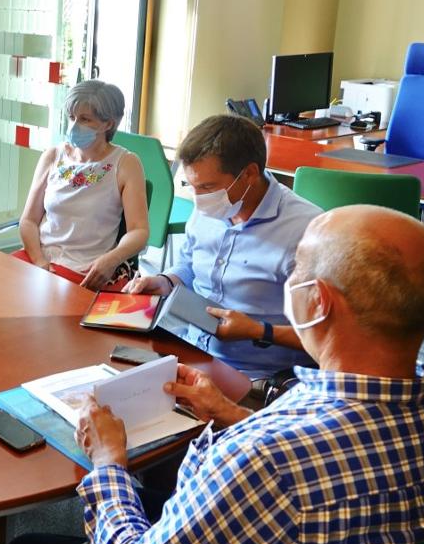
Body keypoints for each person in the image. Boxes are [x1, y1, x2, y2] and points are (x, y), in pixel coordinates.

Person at [3, 205, 424, 544]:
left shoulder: (267, 463)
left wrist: (109, 461)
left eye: (296, 269)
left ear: (318, 302)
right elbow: (327, 466)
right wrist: (230, 412)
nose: (288, 281)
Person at [124, 114, 321, 379]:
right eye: (191, 186)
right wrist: (165, 281)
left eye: (207, 187)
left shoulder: (306, 233)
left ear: (250, 173)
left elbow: (331, 336)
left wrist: (258, 331)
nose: (198, 199)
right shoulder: (214, 207)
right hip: (187, 348)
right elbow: (189, 265)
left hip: (254, 375)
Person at [16, 80, 149, 291]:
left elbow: (139, 231)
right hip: (41, 262)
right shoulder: (52, 156)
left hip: (88, 270)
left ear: (109, 124)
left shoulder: (126, 163)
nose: (74, 126)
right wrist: (39, 260)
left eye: (85, 119)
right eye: (71, 117)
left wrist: (111, 259)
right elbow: (29, 220)